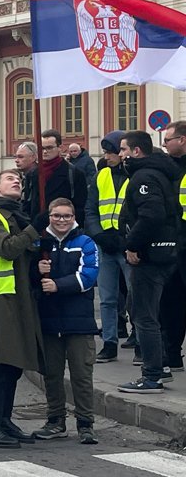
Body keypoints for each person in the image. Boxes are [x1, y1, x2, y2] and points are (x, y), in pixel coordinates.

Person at [0, 169, 45, 448]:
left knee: (13, 364)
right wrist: (34, 230)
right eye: (10, 179)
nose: (17, 181)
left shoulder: (17, 216)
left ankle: (4, 420)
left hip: (17, 297)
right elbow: (7, 248)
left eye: (19, 180)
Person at [117, 131, 181, 394]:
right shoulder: (158, 172)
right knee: (143, 310)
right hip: (164, 252)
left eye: (123, 149)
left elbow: (151, 215)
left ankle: (152, 375)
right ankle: (161, 366)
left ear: (136, 151)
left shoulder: (144, 176)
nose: (121, 154)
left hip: (150, 255)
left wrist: (132, 244)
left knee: (144, 316)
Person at [31, 197, 99, 444]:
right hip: (49, 320)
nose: (61, 220)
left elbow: (89, 276)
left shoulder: (86, 242)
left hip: (79, 322)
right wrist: (36, 270)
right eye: (57, 216)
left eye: (66, 216)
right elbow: (27, 278)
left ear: (74, 217)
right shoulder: (40, 243)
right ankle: (55, 420)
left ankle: (85, 423)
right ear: (49, 216)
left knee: (81, 375)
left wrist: (57, 285)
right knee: (51, 374)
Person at [84, 131, 130, 363]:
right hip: (105, 244)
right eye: (106, 152)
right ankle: (110, 342)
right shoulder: (101, 175)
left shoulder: (135, 174)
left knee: (135, 295)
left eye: (111, 152)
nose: (107, 156)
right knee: (107, 298)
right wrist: (99, 235)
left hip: (127, 244)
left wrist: (126, 239)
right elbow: (90, 209)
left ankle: (140, 340)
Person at [158, 120, 186, 373]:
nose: (164, 145)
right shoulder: (167, 167)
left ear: (182, 140)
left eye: (167, 140)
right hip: (173, 245)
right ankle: (172, 352)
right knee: (171, 301)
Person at [34, 130, 88, 225]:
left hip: (64, 227)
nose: (45, 151)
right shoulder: (33, 173)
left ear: (60, 148)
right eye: (42, 148)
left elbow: (80, 206)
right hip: (37, 230)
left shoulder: (74, 173)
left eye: (49, 148)